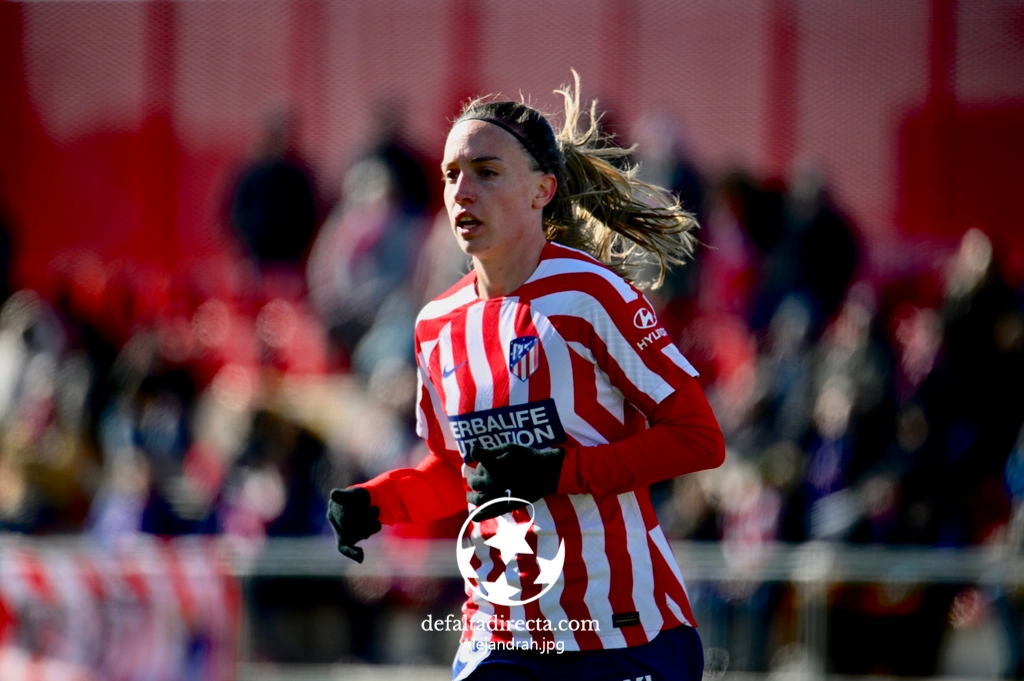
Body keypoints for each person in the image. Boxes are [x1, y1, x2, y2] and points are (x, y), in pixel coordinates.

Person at [327, 73, 725, 681]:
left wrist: (559, 472)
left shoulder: (592, 295)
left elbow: (699, 438)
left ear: (543, 189)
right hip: (502, 635)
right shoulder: (436, 324)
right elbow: (458, 475)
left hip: (626, 635)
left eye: (486, 171)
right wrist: (377, 500)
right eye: (452, 174)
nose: (463, 191)